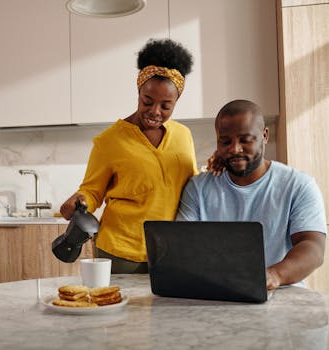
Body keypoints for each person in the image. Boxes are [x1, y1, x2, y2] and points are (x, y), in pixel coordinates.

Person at [60, 39, 197, 273]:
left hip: (170, 249)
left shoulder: (184, 135)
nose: (155, 111)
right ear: (139, 92)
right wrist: (79, 200)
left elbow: (192, 186)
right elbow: (93, 191)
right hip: (121, 250)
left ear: (176, 102)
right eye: (147, 101)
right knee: (118, 309)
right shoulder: (109, 141)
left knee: (167, 310)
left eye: (166, 106)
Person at [177, 99, 326, 290]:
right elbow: (181, 247)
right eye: (225, 141)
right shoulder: (198, 188)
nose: (235, 149)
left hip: (282, 297)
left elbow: (313, 247)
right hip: (216, 295)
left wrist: (274, 275)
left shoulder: (298, 185)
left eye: (245, 140)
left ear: (264, 135)